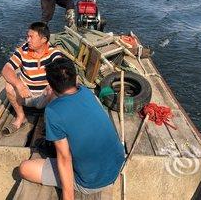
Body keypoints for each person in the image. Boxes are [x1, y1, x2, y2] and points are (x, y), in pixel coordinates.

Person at [19, 57, 125, 199]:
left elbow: (64, 158)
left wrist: (68, 197)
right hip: (117, 167)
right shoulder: (87, 92)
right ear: (75, 78)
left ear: (51, 86)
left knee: (25, 168)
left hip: (91, 183)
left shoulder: (53, 111)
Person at [1, 22, 63, 134]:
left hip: (45, 96)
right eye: (27, 36)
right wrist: (19, 85)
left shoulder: (54, 53)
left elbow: (61, 69)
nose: (28, 40)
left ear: (44, 39)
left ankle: (48, 121)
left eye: (31, 37)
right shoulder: (22, 50)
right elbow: (6, 68)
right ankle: (21, 117)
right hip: (26, 94)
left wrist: (52, 84)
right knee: (9, 86)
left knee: (57, 89)